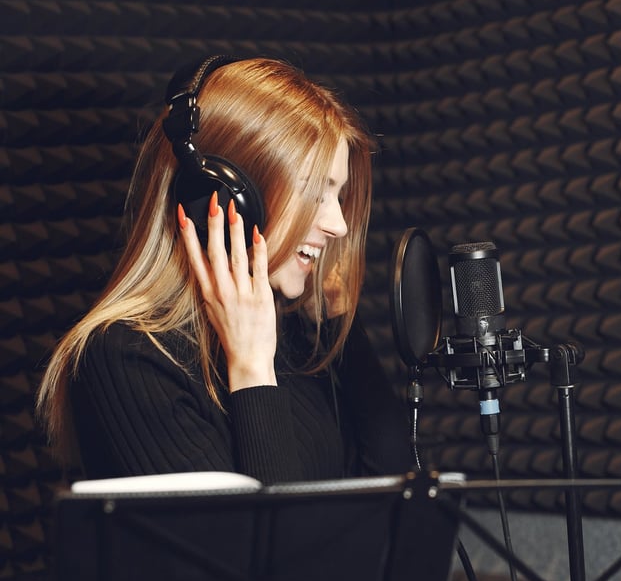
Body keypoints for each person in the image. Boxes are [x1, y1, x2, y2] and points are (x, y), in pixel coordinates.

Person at [36, 56, 412, 484]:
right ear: (228, 197)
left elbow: (394, 486)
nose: (338, 225)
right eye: (314, 192)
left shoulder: (290, 329)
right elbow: (277, 529)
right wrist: (251, 369)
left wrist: (337, 320)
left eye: (338, 196)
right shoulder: (126, 359)